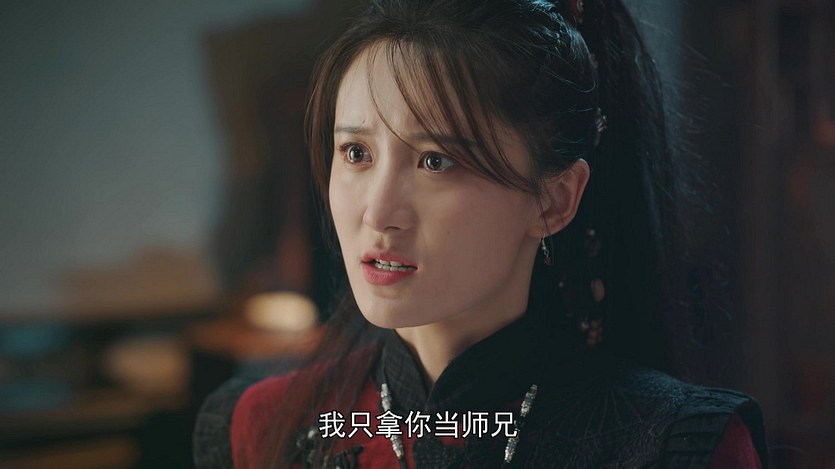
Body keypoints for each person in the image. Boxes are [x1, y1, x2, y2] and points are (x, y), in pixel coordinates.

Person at [194, 0, 769, 467]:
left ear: (554, 199)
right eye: (357, 153)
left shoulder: (669, 445)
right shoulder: (259, 429)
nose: (378, 213)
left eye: (436, 161)